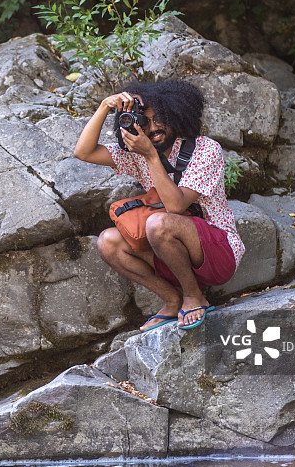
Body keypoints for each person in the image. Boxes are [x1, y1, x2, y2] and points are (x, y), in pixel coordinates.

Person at [73, 79, 244, 331]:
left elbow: (175, 207)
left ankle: (193, 296)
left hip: (219, 252)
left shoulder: (205, 150)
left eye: (159, 119)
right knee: (107, 242)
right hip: (171, 253)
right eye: (145, 122)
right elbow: (84, 152)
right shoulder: (139, 154)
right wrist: (103, 107)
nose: (153, 129)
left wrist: (151, 155)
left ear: (176, 115)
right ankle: (172, 299)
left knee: (158, 222)